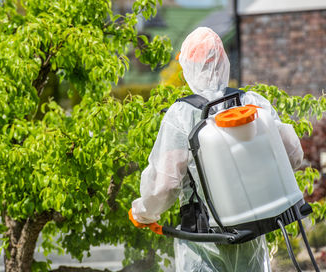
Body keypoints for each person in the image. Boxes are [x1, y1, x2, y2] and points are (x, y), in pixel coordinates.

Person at [128, 27, 304, 272]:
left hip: (203, 241)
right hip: (249, 233)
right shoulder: (251, 103)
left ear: (188, 66)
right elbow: (293, 156)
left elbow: (164, 185)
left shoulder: (182, 115)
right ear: (224, 61)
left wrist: (142, 213)